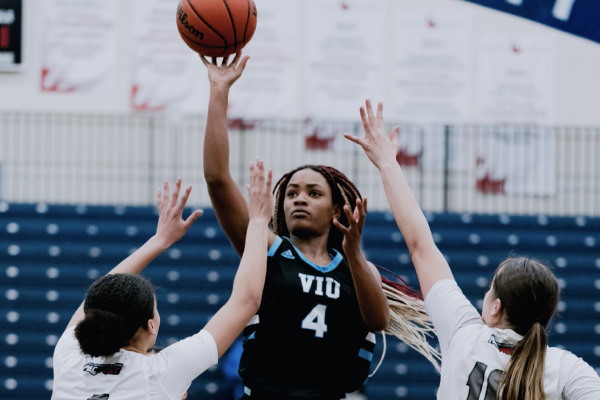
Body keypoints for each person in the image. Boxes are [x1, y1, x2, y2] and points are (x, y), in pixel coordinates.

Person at [200, 53, 439, 400]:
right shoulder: (267, 249)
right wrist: (219, 90)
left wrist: (354, 255)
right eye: (292, 192)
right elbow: (217, 179)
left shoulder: (357, 269)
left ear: (334, 211)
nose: (299, 199)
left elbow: (378, 321)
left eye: (313, 193)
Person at [347, 99, 600, 400]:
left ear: (495, 308)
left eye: (489, 289)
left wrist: (388, 163)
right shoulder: (567, 369)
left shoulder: (463, 333)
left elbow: (419, 244)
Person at [51, 163, 274, 400]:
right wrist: (259, 221)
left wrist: (160, 241)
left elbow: (101, 295)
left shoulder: (69, 357)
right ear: (151, 326)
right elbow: (247, 299)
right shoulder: (160, 373)